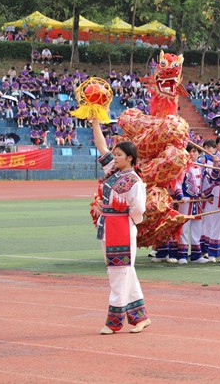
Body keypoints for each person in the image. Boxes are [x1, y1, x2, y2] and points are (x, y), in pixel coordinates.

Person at [91, 118, 150, 335]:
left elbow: (138, 210)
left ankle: (114, 322)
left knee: (118, 275)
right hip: (108, 227)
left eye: (118, 155)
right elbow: (101, 147)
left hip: (122, 230)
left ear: (130, 158)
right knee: (125, 273)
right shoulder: (114, 172)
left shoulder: (135, 182)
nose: (114, 158)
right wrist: (95, 122)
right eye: (114, 155)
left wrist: (118, 213)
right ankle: (140, 317)